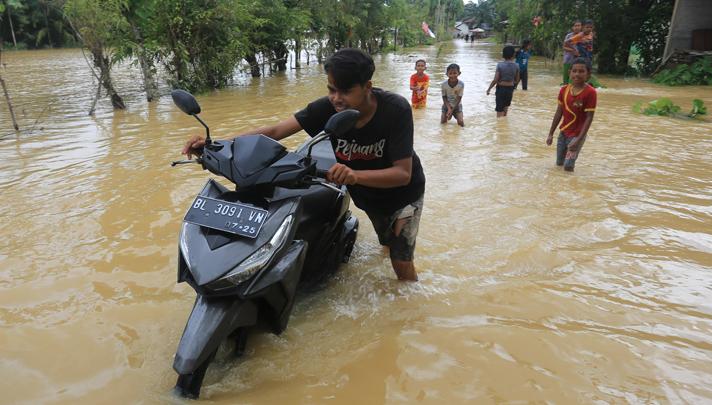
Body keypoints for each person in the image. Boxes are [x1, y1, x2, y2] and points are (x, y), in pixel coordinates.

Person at [182, 48, 426, 281]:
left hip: (403, 195)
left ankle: (409, 313)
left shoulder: (395, 110)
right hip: (367, 195)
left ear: (367, 87)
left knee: (401, 263)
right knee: (385, 242)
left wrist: (354, 174)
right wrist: (216, 144)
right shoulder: (328, 108)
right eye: (331, 90)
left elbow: (402, 173)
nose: (336, 99)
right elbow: (275, 130)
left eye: (345, 91)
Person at [546, 57, 597, 172]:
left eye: (581, 71)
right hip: (563, 133)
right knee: (559, 164)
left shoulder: (590, 93)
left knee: (568, 166)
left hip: (577, 136)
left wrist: (578, 140)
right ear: (569, 73)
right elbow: (559, 112)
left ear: (588, 74)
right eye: (574, 71)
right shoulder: (563, 90)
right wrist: (550, 133)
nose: (577, 74)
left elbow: (589, 117)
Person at [486, 45, 520, 117]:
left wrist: (489, 89)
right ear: (513, 54)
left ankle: (499, 126)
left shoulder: (500, 65)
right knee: (505, 107)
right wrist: (512, 83)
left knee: (499, 110)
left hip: (501, 89)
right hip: (510, 89)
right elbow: (517, 80)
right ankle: (504, 124)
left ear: (503, 55)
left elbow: (495, 80)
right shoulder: (516, 65)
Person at [562, 20, 582, 85]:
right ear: (572, 27)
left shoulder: (582, 36)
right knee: (565, 80)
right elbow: (564, 47)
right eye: (575, 26)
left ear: (581, 27)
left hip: (577, 62)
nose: (577, 27)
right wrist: (573, 51)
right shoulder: (569, 36)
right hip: (567, 60)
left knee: (573, 80)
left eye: (578, 26)